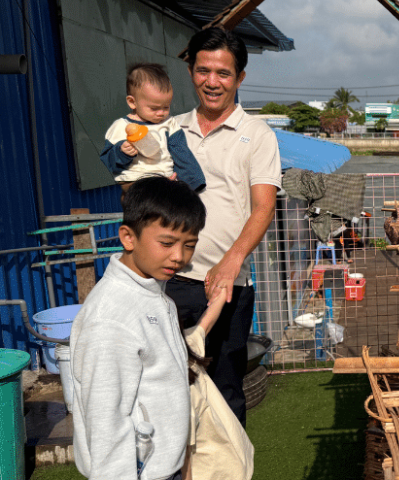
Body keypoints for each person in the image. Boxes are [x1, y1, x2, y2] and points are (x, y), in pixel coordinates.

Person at [165, 27, 281, 426]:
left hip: (229, 285)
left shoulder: (257, 135)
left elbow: (264, 207)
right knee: (168, 390)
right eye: (203, 70)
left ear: (240, 78)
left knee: (226, 390)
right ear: (191, 71)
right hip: (170, 279)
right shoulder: (169, 131)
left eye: (223, 73)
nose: (211, 82)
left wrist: (233, 261)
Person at [71, 176, 206, 480]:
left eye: (190, 245)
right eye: (167, 243)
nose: (179, 256)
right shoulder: (111, 317)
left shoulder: (155, 293)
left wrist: (180, 459)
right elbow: (105, 418)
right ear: (128, 237)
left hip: (164, 465)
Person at [183, 280, 254, 480]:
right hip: (236, 463)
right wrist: (222, 289)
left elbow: (184, 456)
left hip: (213, 472)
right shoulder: (186, 346)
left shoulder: (175, 374)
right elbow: (206, 323)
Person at [100, 63, 206, 193]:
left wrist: (192, 183)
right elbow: (108, 160)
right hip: (135, 185)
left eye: (166, 107)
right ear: (132, 102)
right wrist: (122, 152)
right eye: (154, 108)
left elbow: (182, 153)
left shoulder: (169, 124)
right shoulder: (121, 126)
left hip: (165, 182)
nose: (161, 113)